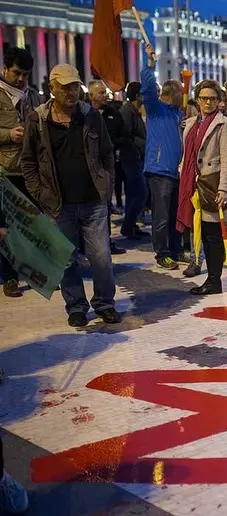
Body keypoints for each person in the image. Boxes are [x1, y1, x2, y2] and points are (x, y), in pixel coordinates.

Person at [20, 64, 121, 327]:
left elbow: (107, 153)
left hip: (93, 201)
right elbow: (28, 161)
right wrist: (40, 193)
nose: (71, 92)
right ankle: (76, 306)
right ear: (52, 88)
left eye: (75, 86)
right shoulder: (38, 119)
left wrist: (106, 184)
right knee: (66, 260)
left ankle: (104, 304)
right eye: (65, 87)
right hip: (58, 204)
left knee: (101, 257)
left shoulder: (90, 116)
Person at [176, 80, 227, 296]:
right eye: (204, 98)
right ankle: (206, 273)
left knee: (212, 235)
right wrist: (182, 169)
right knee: (199, 231)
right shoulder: (191, 123)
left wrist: (223, 189)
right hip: (193, 185)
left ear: (219, 101)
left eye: (212, 98)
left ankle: (214, 280)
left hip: (211, 185)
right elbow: (188, 153)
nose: (208, 102)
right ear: (198, 100)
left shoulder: (225, 124)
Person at [0, 46, 41, 299]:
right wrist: (8, 134)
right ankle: (10, 277)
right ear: (4, 69)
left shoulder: (32, 96)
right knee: (6, 230)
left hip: (28, 170)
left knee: (31, 226)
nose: (21, 78)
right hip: (4, 170)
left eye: (25, 74)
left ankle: (34, 272)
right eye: (16, 72)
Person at [142, 44, 184, 271]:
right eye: (181, 90)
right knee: (161, 216)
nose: (183, 94)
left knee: (175, 215)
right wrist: (149, 64)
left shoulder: (179, 114)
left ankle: (177, 250)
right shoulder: (156, 109)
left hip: (176, 171)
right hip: (159, 171)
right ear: (171, 93)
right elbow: (147, 88)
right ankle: (162, 254)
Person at [88, 81, 127, 256]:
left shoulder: (113, 113)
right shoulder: (84, 113)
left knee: (106, 204)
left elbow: (122, 135)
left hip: (108, 165)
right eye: (101, 93)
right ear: (91, 95)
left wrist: (113, 146)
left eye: (105, 92)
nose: (105, 95)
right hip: (88, 168)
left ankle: (107, 241)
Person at [118, 81, 148, 240]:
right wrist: (139, 147)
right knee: (141, 193)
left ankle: (131, 225)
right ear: (138, 95)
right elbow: (126, 135)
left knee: (134, 193)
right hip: (132, 158)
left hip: (137, 156)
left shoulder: (134, 110)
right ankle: (128, 225)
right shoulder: (127, 111)